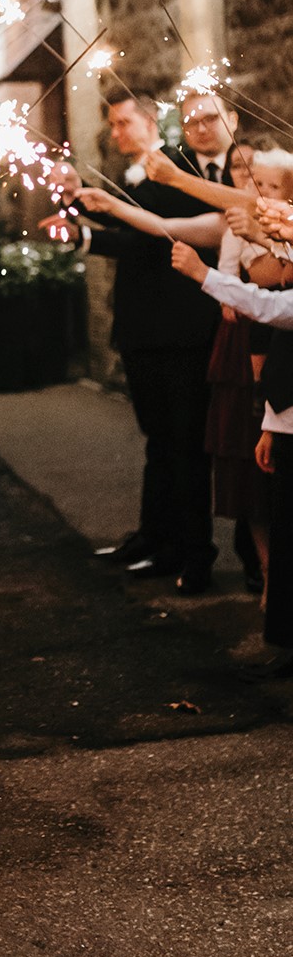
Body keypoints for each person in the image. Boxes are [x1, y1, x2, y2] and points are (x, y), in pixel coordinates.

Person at [39, 89, 219, 594]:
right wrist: (80, 211)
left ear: (151, 121)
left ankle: (192, 551)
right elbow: (129, 231)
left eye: (122, 123)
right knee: (159, 439)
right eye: (113, 125)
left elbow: (148, 230)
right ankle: (155, 537)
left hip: (181, 328)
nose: (115, 133)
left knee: (183, 443)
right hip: (144, 329)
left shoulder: (178, 171)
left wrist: (85, 216)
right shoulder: (134, 177)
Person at [171, 233, 293, 680]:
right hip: (285, 428)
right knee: (285, 534)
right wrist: (269, 428)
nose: (278, 260)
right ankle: (286, 642)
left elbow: (264, 305)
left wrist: (202, 274)